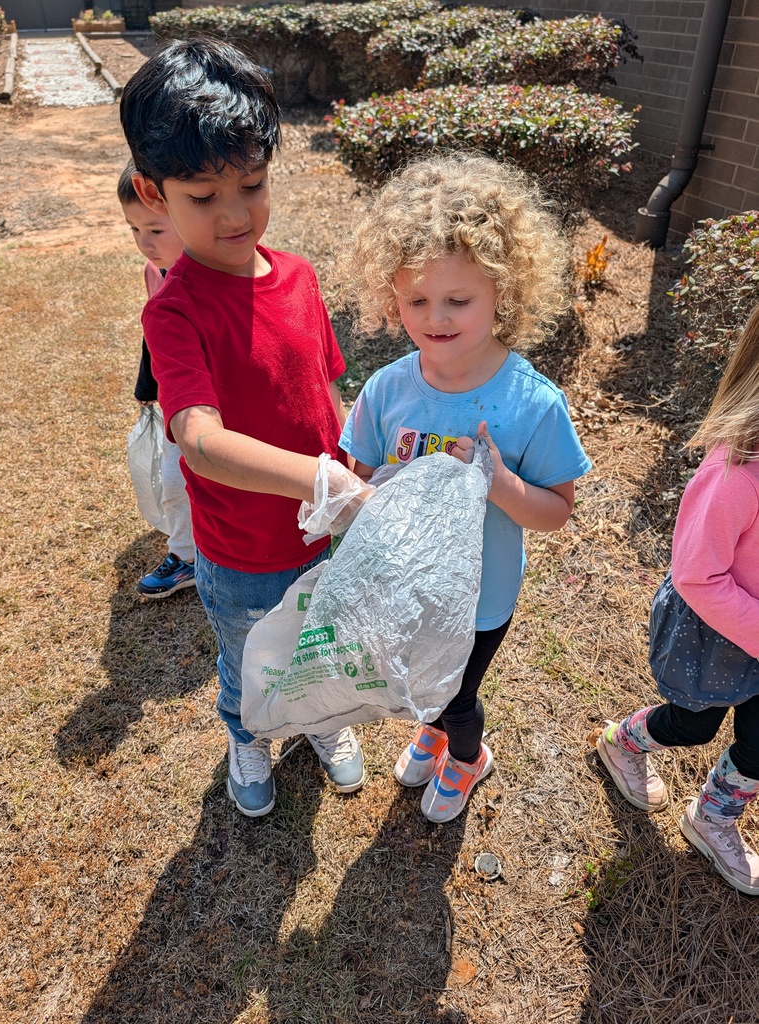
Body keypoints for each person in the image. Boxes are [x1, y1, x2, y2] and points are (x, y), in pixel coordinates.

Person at [119, 37, 373, 818]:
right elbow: (197, 436)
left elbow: (324, 386)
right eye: (202, 196)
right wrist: (317, 479)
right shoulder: (175, 311)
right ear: (153, 194)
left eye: (252, 185)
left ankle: (320, 723)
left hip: (323, 526)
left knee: (320, 639)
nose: (234, 214)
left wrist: (351, 466)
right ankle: (247, 734)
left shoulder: (297, 274)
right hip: (239, 546)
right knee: (249, 656)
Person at [337, 154, 592, 823]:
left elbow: (557, 512)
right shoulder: (387, 389)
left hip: (481, 596)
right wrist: (334, 499)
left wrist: (502, 483)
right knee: (423, 686)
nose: (436, 317)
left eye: (458, 299)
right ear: (390, 296)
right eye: (416, 299)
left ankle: (465, 755)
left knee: (457, 695)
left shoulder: (530, 404)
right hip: (407, 585)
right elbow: (355, 475)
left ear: (501, 294)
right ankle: (435, 726)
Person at [594, 304, 759, 896]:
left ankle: (712, 816)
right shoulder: (738, 473)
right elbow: (698, 576)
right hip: (717, 637)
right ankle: (626, 742)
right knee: (693, 725)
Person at [118, 161, 196, 599]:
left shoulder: (214, 277)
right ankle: (186, 556)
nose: (144, 244)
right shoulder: (156, 272)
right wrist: (147, 388)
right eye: (134, 229)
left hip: (213, 409)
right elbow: (156, 335)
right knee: (175, 481)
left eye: (155, 230)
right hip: (174, 404)